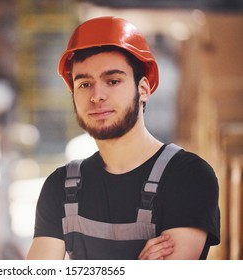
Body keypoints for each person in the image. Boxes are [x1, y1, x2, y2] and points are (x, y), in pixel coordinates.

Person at [26, 16, 220, 260]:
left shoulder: (188, 177)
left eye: (113, 81)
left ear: (144, 89)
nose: (97, 96)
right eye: (85, 84)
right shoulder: (60, 187)